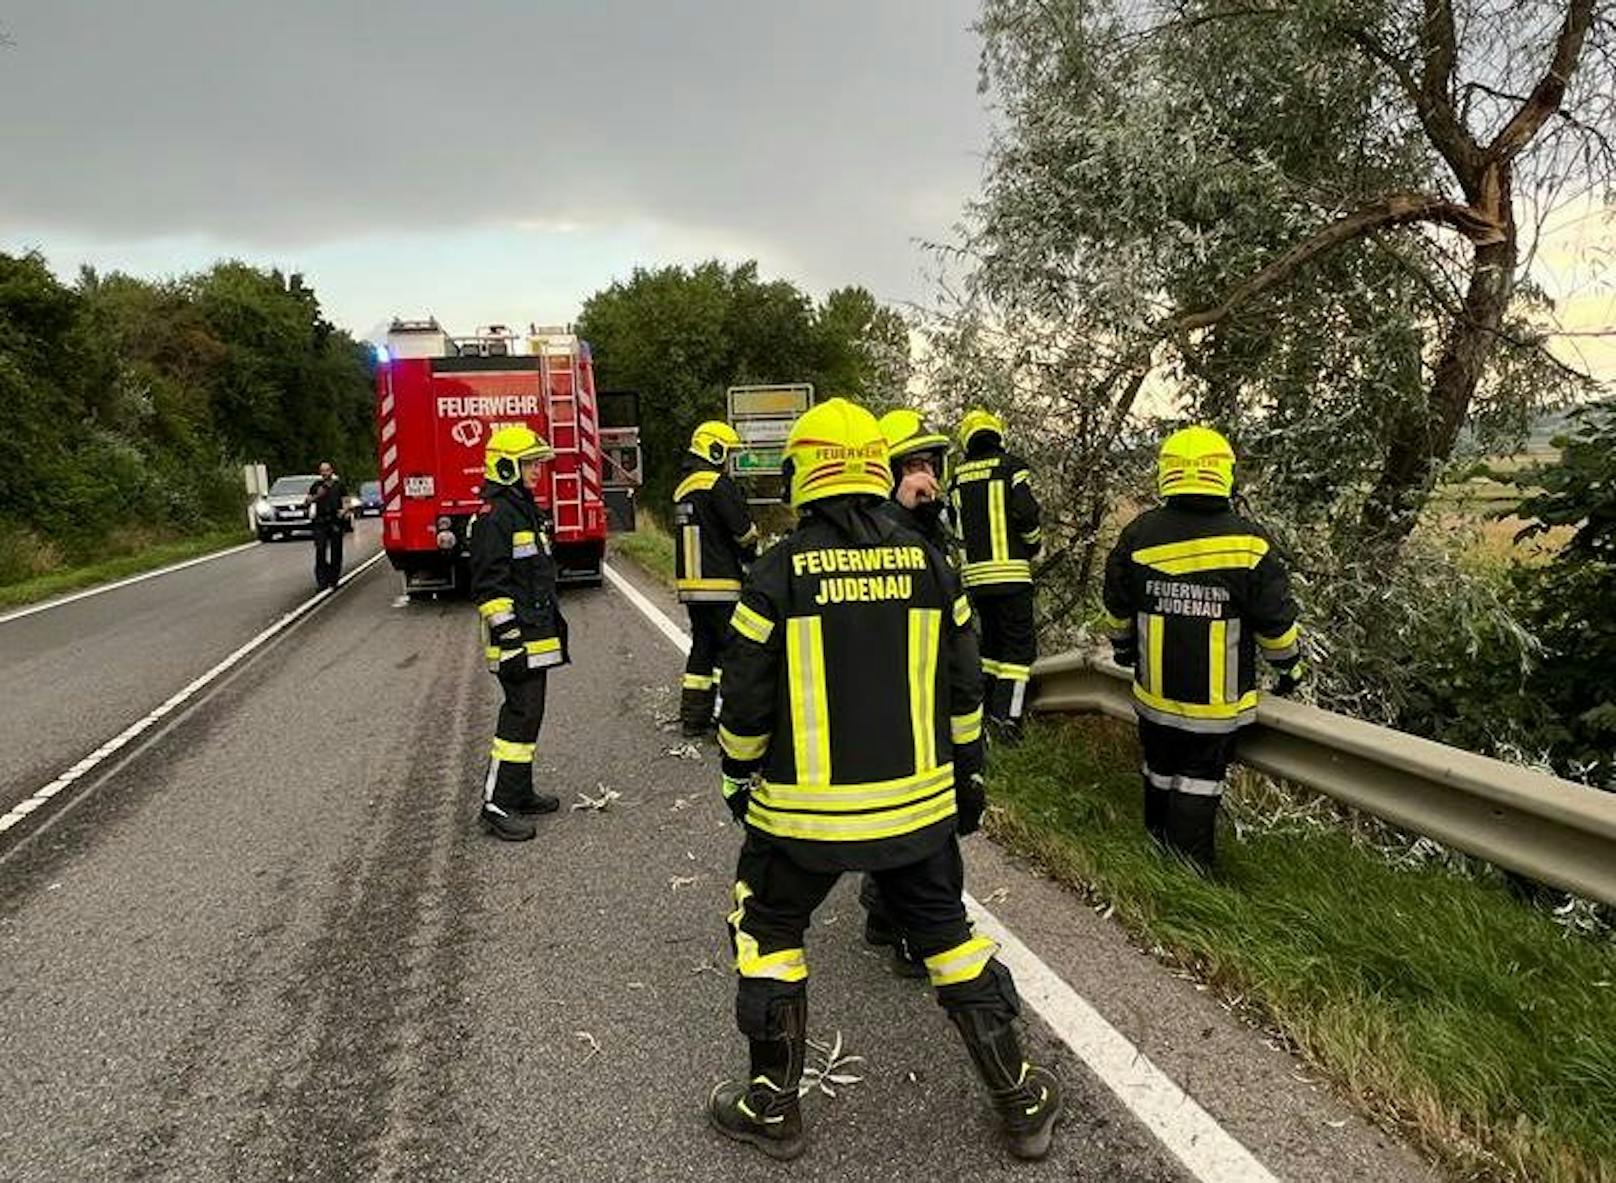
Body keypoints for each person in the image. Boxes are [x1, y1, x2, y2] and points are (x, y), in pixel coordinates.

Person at [709, 398, 1060, 1163]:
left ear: (803, 473)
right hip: (917, 813)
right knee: (949, 940)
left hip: (800, 822)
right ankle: (1023, 1099)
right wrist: (969, 777)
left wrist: (738, 775)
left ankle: (772, 1106)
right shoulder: (933, 565)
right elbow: (965, 689)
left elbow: (743, 697)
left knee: (768, 935)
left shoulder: (775, 572)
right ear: (877, 467)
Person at [1101, 425, 1305, 870]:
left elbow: (1117, 607)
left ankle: (1155, 854)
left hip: (1153, 697)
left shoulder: (1138, 535)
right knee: (1199, 782)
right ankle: (1190, 872)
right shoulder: (1249, 543)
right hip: (1215, 707)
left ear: (1167, 474)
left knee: (1158, 770)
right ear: (1224, 474)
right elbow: (1276, 624)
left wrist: (1123, 650)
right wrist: (1290, 669)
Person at [860, 408, 959, 976]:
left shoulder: (925, 525)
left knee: (906, 818)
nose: (928, 475)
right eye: (914, 465)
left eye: (931, 463)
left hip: (928, 686)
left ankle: (881, 913)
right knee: (919, 826)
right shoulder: (886, 531)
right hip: (903, 694)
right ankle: (909, 933)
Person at [470, 425, 569, 842]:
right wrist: (509, 638)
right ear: (506, 466)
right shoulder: (495, 517)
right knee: (519, 714)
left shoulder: (523, 508)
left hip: (536, 632)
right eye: (530, 464)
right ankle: (495, 804)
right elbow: (490, 586)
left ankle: (519, 791)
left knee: (531, 714)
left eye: (537, 464)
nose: (536, 472)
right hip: (517, 638)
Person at [949, 410, 1042, 740]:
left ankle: (987, 713)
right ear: (997, 434)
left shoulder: (957, 477)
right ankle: (1008, 722)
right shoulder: (1011, 467)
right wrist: (1033, 545)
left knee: (990, 649)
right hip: (1012, 575)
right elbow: (1027, 512)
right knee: (1018, 652)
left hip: (976, 580)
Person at [672, 420, 759, 736]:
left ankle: (693, 719)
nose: (728, 460)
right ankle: (725, 717)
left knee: (702, 648)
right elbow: (743, 533)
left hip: (690, 586)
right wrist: (753, 556)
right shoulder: (718, 485)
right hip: (721, 583)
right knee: (729, 650)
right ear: (715, 448)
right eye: (727, 453)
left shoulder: (682, 488)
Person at [305, 462, 348, 590]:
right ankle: (322, 581)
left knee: (336, 551)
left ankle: (334, 578)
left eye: (327, 471)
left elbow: (346, 501)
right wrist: (317, 496)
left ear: (331, 471)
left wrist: (344, 510)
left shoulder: (339, 486)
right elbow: (306, 502)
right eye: (322, 471)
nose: (325, 473)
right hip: (320, 522)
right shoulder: (316, 486)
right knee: (320, 549)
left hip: (335, 521)